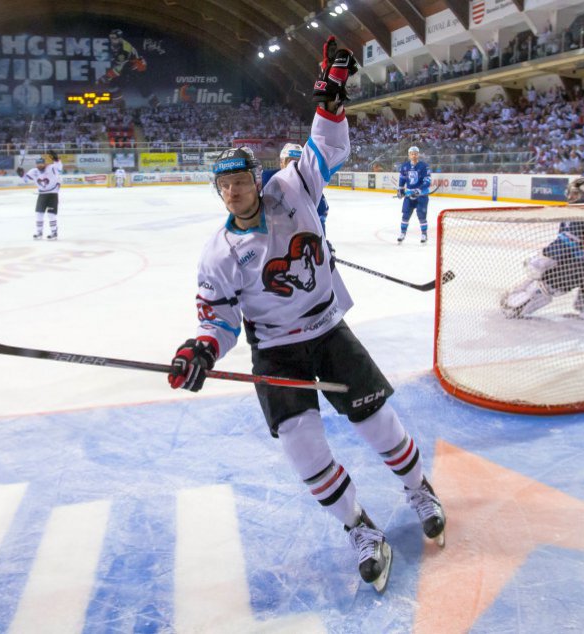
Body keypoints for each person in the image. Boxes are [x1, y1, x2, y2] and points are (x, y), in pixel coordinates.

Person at [166, 37, 445, 593]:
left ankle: (419, 489)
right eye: (225, 185)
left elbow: (327, 147)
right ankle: (360, 527)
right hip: (275, 349)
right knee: (302, 446)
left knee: (375, 421)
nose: (235, 191)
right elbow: (218, 321)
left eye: (242, 180)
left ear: (257, 177)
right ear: (217, 191)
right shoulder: (218, 254)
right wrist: (198, 349)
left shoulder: (294, 186)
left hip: (327, 330)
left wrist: (331, 102)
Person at [500, 140, 584, 325]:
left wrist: (542, 260)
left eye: (574, 195)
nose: (570, 198)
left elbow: (568, 243)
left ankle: (517, 305)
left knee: (545, 285)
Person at [262, 143, 329, 230]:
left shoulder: (312, 189)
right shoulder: (267, 179)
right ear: (281, 163)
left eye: (299, 163)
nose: (294, 167)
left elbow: (319, 222)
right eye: (290, 162)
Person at [99, 29, 159, 109]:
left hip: (136, 67)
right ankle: (119, 104)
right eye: (111, 37)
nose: (112, 39)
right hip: (128, 66)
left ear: (120, 38)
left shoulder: (124, 50)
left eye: (114, 38)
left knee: (141, 86)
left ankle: (156, 104)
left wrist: (107, 76)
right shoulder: (115, 45)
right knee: (113, 85)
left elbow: (119, 68)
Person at [17, 151, 63, 240]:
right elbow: (26, 179)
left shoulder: (52, 168)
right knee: (39, 214)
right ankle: (39, 232)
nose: (40, 165)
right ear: (36, 164)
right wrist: (21, 175)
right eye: (38, 164)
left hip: (52, 194)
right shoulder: (33, 171)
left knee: (51, 214)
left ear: (45, 163)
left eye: (41, 163)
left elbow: (59, 168)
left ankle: (54, 232)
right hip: (42, 194)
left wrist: (56, 159)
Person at [397, 146, 432, 244]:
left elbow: (427, 181)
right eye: (412, 153)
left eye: (415, 153)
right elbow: (402, 179)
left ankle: (424, 234)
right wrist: (400, 190)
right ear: (409, 155)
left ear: (418, 154)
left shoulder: (424, 166)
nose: (414, 155)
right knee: (405, 215)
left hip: (422, 196)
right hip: (409, 196)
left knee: (422, 216)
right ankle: (402, 233)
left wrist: (419, 190)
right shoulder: (405, 166)